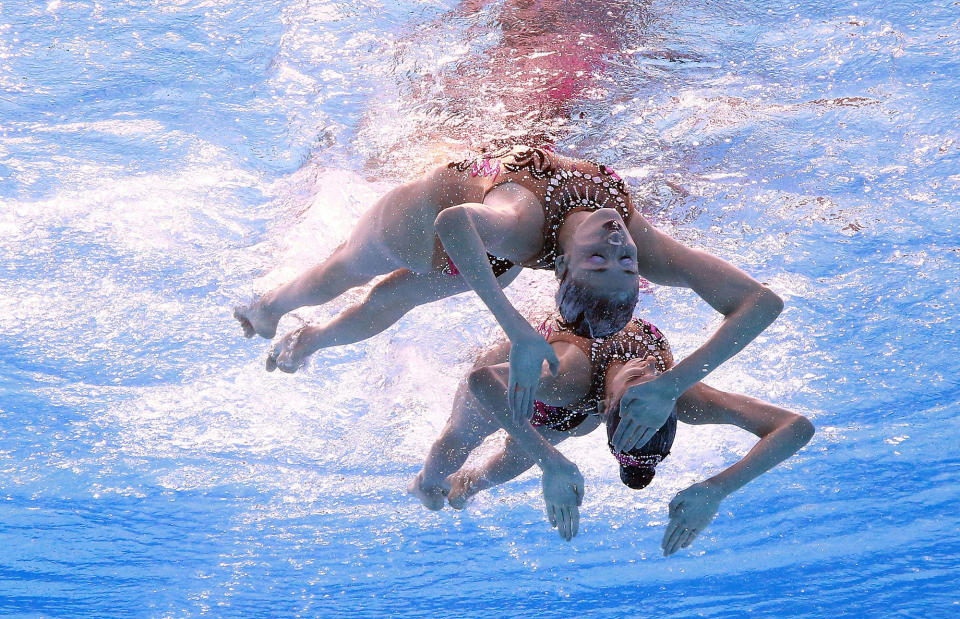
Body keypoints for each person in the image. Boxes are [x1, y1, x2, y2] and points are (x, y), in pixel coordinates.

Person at [234, 145, 783, 434]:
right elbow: (762, 302)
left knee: (343, 273)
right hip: (486, 260)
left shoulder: (522, 220)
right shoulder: (630, 234)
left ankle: (269, 312)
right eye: (625, 261)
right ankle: (313, 341)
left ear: (565, 268)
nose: (618, 242)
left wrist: (519, 331)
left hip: (418, 230)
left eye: (601, 260)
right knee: (392, 301)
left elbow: (454, 223)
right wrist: (672, 384)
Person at [410, 313, 814, 553]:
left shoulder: (571, 378)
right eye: (653, 396)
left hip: (556, 403)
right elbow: (796, 426)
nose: (648, 379)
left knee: (498, 449)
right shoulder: (674, 391)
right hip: (530, 392)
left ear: (608, 409)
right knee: (459, 441)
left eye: (633, 400)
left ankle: (455, 485)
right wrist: (716, 490)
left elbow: (484, 382)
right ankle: (431, 485)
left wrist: (717, 489)